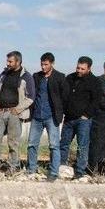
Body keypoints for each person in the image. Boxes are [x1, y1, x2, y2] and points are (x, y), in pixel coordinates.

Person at [0, 51, 34, 172]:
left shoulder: (26, 76)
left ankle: (14, 165)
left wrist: (17, 109)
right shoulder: (3, 74)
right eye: (7, 61)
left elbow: (31, 97)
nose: (7, 63)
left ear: (18, 62)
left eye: (10, 61)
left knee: (13, 142)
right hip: (1, 112)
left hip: (15, 113)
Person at [27, 52, 68, 181]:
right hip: (37, 116)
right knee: (32, 144)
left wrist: (60, 113)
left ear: (52, 64)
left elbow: (64, 97)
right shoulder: (36, 76)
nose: (43, 67)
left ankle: (54, 172)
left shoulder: (60, 77)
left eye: (46, 64)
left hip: (51, 116)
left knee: (54, 145)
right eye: (42, 64)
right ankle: (31, 169)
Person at [59, 56, 101, 179]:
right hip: (69, 118)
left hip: (83, 120)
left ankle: (79, 171)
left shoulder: (94, 81)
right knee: (64, 143)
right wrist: (64, 111)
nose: (79, 71)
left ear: (89, 68)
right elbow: (64, 95)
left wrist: (86, 115)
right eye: (78, 68)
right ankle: (62, 167)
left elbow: (96, 100)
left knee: (82, 146)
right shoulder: (70, 78)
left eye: (82, 69)